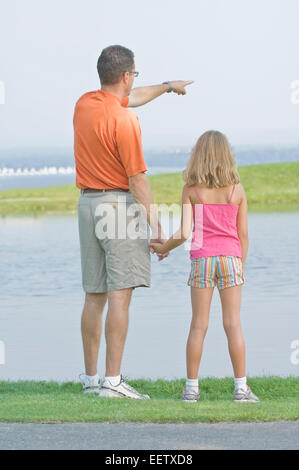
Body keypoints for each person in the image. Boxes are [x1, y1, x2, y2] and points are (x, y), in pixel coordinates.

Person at [73, 44, 193, 399]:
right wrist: (156, 226)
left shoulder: (84, 104)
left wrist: (168, 85)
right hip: (118, 207)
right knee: (120, 295)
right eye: (134, 75)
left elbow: (134, 96)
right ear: (126, 76)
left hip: (87, 204)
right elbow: (138, 179)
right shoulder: (125, 121)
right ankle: (113, 382)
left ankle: (91, 378)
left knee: (94, 295)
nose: (134, 83)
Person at [150, 130, 260, 403]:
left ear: (198, 155)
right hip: (231, 260)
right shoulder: (237, 191)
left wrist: (163, 248)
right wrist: (240, 267)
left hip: (202, 260)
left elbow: (185, 232)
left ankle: (191, 389)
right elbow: (243, 236)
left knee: (198, 324)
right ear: (227, 156)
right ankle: (241, 389)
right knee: (233, 324)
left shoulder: (192, 190)